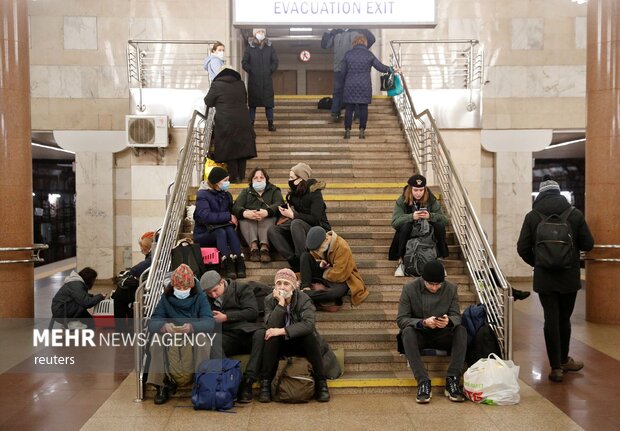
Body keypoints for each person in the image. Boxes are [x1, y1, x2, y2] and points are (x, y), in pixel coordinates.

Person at [517, 175, 594, 383]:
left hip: (545, 279)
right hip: (569, 277)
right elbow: (588, 244)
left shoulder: (533, 216)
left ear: (541, 193)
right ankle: (564, 358)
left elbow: (522, 247)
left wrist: (538, 263)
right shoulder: (574, 214)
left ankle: (556, 367)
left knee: (550, 319)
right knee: (564, 319)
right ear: (558, 192)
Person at [396, 260, 467, 403]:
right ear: (423, 280)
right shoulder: (409, 288)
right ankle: (423, 381)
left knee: (461, 330)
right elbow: (402, 319)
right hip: (420, 334)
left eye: (438, 284)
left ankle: (452, 379)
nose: (434, 288)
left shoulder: (451, 289)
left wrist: (449, 321)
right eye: (431, 284)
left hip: (442, 333)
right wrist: (422, 322)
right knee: (407, 332)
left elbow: (456, 316)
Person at [258, 268, 331, 403]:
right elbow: (270, 325)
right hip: (281, 345)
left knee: (310, 336)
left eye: (286, 284)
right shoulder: (269, 299)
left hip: (299, 342)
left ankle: (321, 383)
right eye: (278, 283)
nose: (282, 287)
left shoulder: (303, 299)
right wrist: (280, 304)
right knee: (270, 336)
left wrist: (282, 331)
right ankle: (266, 384)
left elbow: (309, 324)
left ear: (293, 286)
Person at [147, 264, 214, 405]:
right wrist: (163, 326)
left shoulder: (200, 297)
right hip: (171, 334)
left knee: (203, 339)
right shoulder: (165, 298)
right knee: (156, 340)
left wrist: (192, 327)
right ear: (173, 286)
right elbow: (153, 322)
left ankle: (201, 384)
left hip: (192, 333)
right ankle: (161, 385)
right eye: (179, 288)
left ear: (191, 286)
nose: (182, 291)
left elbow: (209, 322)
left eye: (185, 288)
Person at [200, 270, 266, 403]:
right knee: (213, 340)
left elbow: (252, 312)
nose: (213, 295)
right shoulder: (206, 298)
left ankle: (248, 381)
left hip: (246, 332)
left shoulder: (242, 288)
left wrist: (226, 317)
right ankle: (229, 379)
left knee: (261, 334)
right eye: (209, 293)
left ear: (222, 282)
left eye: (215, 290)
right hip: (227, 335)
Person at [267, 162, 330, 272]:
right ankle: (294, 261)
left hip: (318, 228)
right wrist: (286, 211)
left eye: (292, 177)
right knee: (273, 230)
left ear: (300, 179)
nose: (289, 180)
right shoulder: (294, 193)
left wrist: (293, 215)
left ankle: (304, 261)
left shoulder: (315, 193)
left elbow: (315, 219)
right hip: (299, 227)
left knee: (296, 222)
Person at [389, 174, 450, 276]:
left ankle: (440, 260)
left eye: (421, 190)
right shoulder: (402, 200)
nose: (418, 193)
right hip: (410, 230)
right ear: (410, 189)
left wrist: (430, 216)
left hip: (427, 230)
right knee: (405, 226)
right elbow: (395, 222)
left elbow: (444, 220)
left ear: (425, 189)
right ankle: (401, 261)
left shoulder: (431, 199)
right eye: (415, 190)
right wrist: (411, 217)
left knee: (439, 225)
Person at [204, 66, 257, 184]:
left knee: (230, 149)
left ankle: (233, 178)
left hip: (225, 121)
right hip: (243, 120)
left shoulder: (217, 84)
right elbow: (244, 99)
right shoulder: (240, 84)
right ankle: (241, 177)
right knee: (242, 150)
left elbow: (208, 101)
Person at [193, 166, 246, 279]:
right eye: (225, 180)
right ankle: (228, 263)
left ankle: (239, 261)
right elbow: (206, 216)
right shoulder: (203, 195)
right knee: (221, 232)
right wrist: (228, 216)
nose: (228, 183)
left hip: (222, 228)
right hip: (204, 232)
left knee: (229, 230)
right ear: (216, 182)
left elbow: (232, 212)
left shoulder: (227, 195)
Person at [300, 226, 368, 310]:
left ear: (327, 240)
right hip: (325, 272)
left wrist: (324, 271)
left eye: (318, 249)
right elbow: (314, 257)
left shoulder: (342, 247)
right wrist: (319, 264)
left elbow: (340, 274)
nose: (317, 251)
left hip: (341, 278)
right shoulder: (319, 244)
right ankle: (305, 287)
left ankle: (305, 295)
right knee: (305, 256)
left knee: (335, 293)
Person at [341, 34, 393, 139]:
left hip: (350, 84)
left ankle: (347, 130)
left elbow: (343, 72)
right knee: (363, 108)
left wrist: (345, 81)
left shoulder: (348, 54)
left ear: (354, 43)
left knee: (349, 109)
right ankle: (362, 131)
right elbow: (380, 67)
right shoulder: (369, 54)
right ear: (365, 43)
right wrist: (391, 69)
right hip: (364, 85)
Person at [321, 28, 376, 122]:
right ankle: (357, 116)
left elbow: (324, 45)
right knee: (357, 90)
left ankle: (335, 114)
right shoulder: (359, 34)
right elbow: (372, 39)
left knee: (337, 92)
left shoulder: (336, 35)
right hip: (354, 68)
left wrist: (328, 33)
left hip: (339, 68)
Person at [232, 167, 284, 263]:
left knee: (268, 218)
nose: (259, 180)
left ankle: (265, 248)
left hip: (267, 220)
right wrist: (245, 213)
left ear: (266, 179)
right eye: (255, 178)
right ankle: (253, 248)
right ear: (251, 180)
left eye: (261, 177)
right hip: (249, 223)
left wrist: (267, 212)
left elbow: (279, 203)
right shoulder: (246, 192)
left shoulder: (274, 190)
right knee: (244, 218)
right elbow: (236, 207)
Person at [113, 231, 155, 331]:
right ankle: (127, 325)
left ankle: (120, 329)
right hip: (147, 285)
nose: (140, 249)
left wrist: (129, 272)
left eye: (141, 246)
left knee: (119, 296)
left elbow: (137, 270)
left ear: (146, 246)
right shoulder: (154, 253)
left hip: (145, 288)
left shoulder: (152, 256)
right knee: (122, 294)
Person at [242, 28, 279, 132]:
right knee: (252, 105)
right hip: (254, 80)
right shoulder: (250, 47)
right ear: (254, 34)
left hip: (267, 80)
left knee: (269, 105)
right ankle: (251, 125)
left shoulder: (269, 46)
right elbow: (244, 62)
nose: (261, 34)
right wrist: (251, 70)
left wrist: (269, 70)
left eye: (262, 32)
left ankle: (270, 124)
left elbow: (275, 61)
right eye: (258, 32)